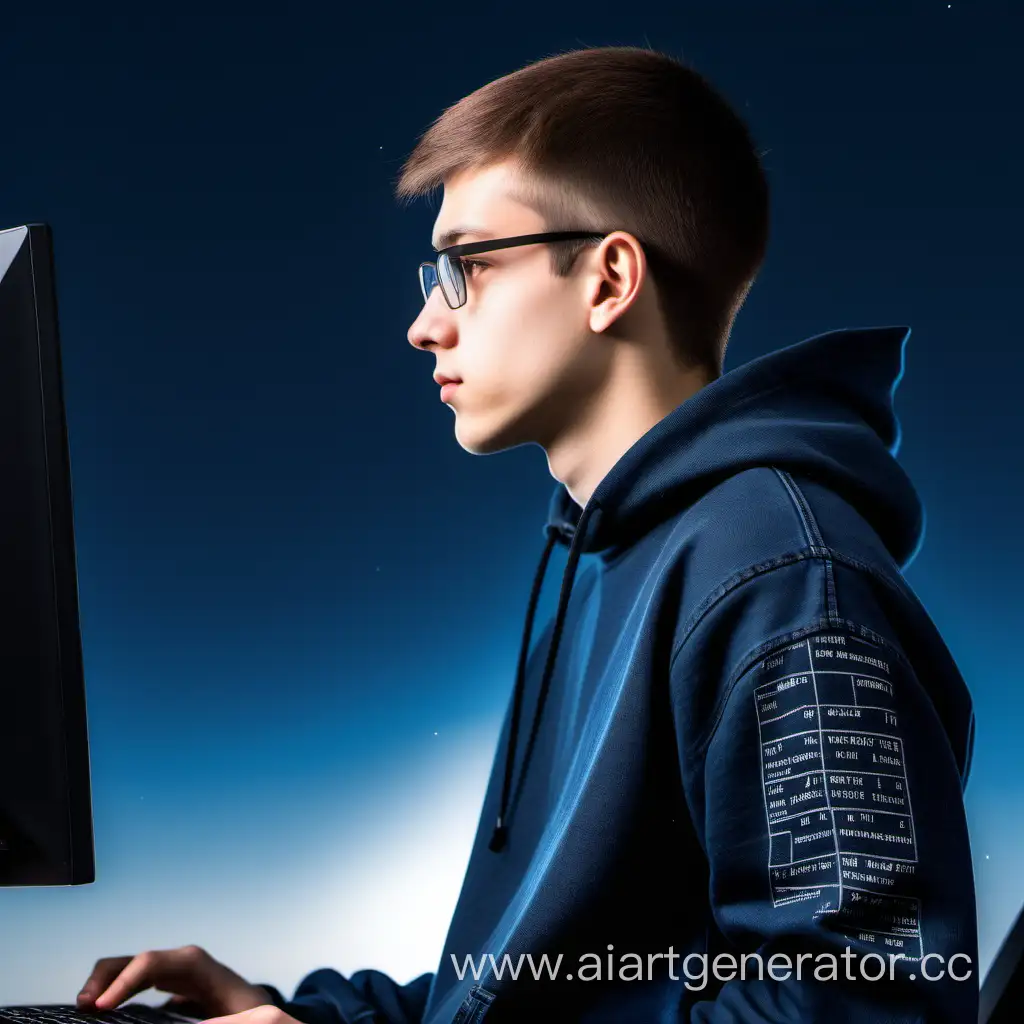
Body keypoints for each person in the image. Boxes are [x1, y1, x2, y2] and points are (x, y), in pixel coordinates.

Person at [76, 44, 979, 1023]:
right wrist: (301, 1017)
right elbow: (535, 995)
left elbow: (866, 1008)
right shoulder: (608, 561)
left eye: (467, 267)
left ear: (607, 279)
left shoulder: (782, 582)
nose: (425, 323)